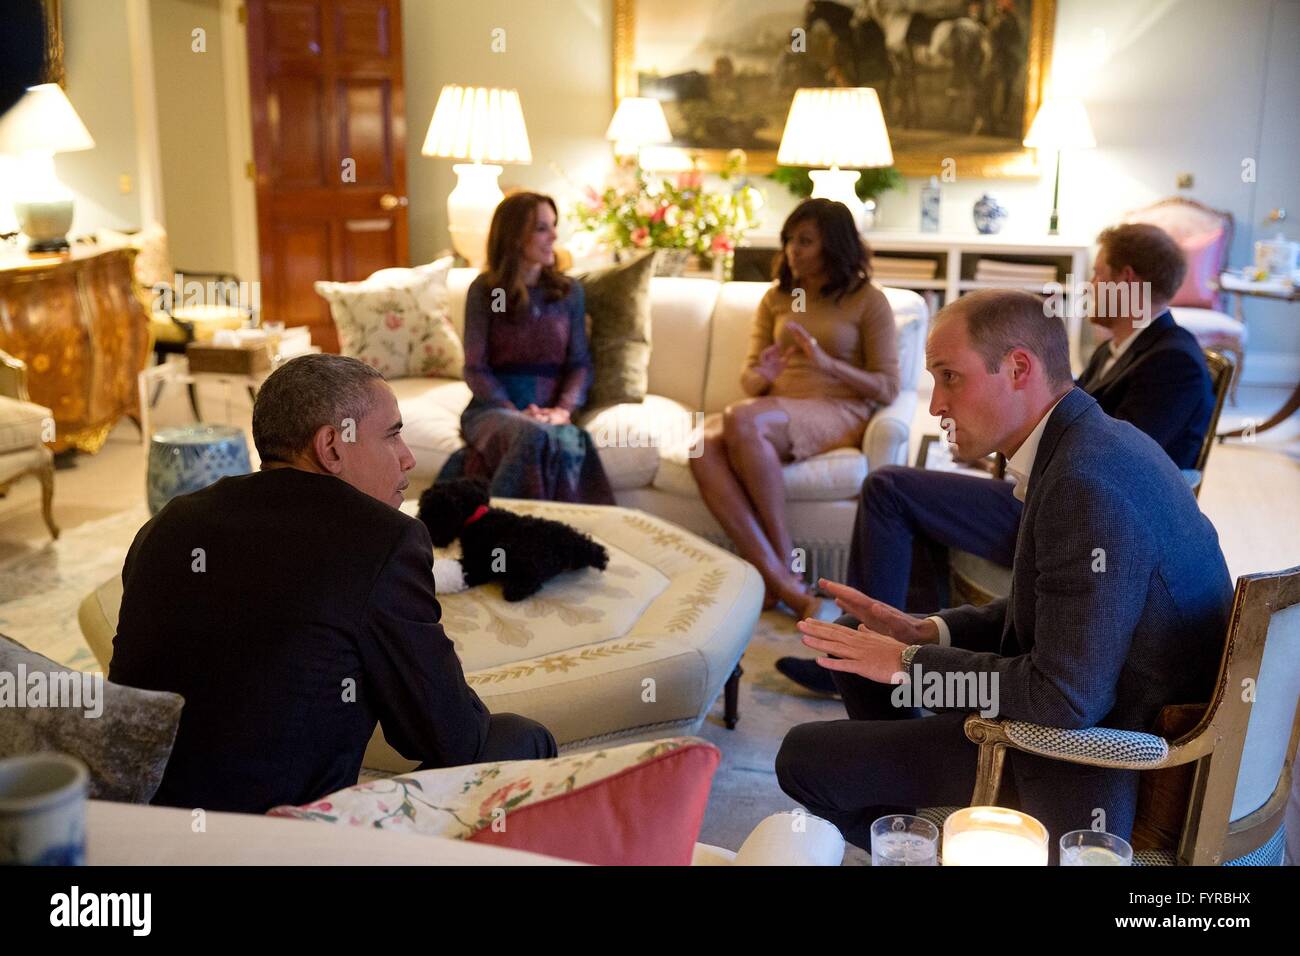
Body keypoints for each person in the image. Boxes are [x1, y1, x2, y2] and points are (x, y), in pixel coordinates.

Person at [775, 289, 1232, 857]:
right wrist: (925, 633)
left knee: (802, 756)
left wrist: (908, 665)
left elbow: (1065, 698)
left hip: (1085, 759)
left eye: (950, 377)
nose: (936, 403)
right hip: (1092, 708)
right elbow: (1057, 610)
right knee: (859, 645)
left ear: (1018, 368)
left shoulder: (1085, 484)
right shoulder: (1093, 441)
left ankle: (929, 836)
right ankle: (918, 825)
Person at [778, 221, 1215, 693]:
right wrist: (925, 639)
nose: (1088, 288)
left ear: (1127, 280)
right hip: (1056, 494)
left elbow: (1110, 466)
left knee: (892, 488)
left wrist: (913, 667)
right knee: (910, 494)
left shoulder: (1172, 362)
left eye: (1097, 274)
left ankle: (887, 663)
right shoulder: (1116, 350)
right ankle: (894, 646)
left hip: (1077, 515)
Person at [110, 354, 556, 813]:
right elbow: (450, 736)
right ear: (332, 447)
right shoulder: (383, 540)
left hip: (139, 821)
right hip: (278, 841)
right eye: (392, 435)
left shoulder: (167, 524)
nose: (408, 456)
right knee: (519, 738)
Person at [690, 198, 900, 618]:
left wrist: (828, 364)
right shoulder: (778, 298)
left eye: (805, 240)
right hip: (774, 409)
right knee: (702, 447)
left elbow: (888, 387)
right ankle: (786, 583)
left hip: (838, 409)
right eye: (788, 240)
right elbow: (749, 379)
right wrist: (763, 374)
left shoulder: (867, 301)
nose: (792, 250)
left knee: (740, 418)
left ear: (834, 245)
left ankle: (782, 568)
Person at [439, 191, 615, 504]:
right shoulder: (485, 290)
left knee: (566, 440)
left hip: (550, 411)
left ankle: (573, 534)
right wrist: (514, 411)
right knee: (530, 435)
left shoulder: (568, 291)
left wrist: (562, 411)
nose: (554, 236)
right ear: (515, 235)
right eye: (542, 228)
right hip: (494, 409)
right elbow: (476, 367)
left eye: (554, 226)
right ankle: (499, 527)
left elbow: (580, 364)